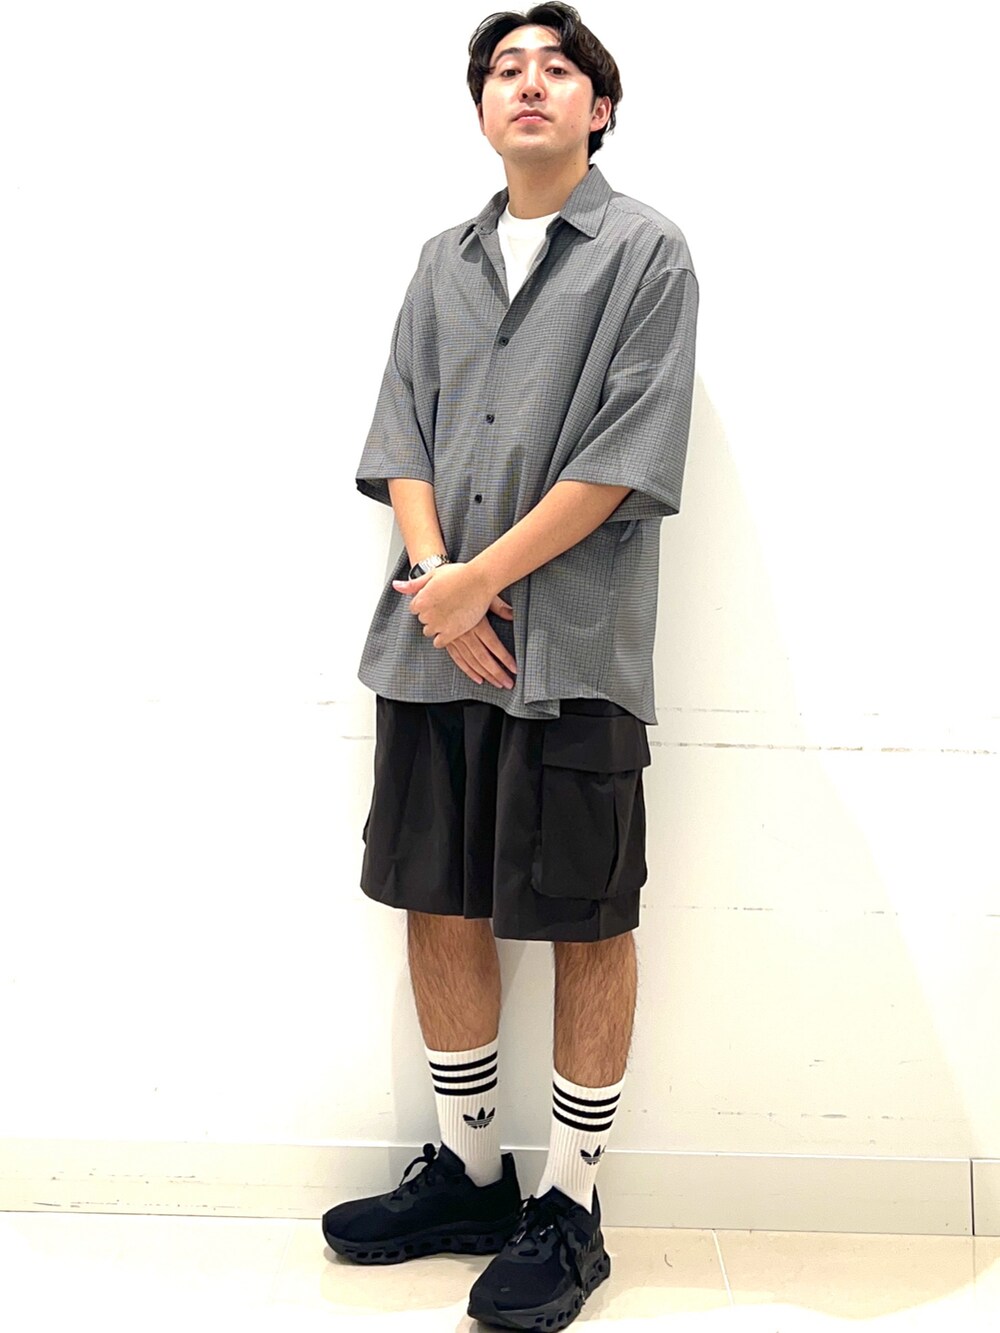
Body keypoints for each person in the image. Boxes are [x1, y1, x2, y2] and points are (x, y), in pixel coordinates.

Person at [322, 4, 699, 1327]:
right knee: (438, 900)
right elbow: (402, 432)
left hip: (572, 651)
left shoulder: (647, 253)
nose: (528, 84)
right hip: (432, 650)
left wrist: (483, 581)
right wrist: (440, 586)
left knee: (587, 918)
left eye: (557, 68)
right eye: (504, 69)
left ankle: (572, 1203)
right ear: (482, 109)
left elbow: (629, 453)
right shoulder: (442, 261)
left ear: (601, 106)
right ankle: (473, 1172)